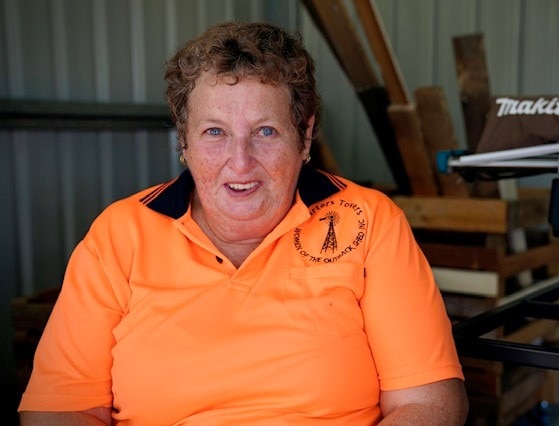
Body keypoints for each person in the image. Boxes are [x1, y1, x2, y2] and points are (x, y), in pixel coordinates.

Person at [18, 21, 468, 425]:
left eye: (266, 132)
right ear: (185, 140)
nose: (240, 162)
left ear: (305, 136)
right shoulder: (119, 235)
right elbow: (59, 408)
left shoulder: (368, 220)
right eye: (214, 132)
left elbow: (429, 402)